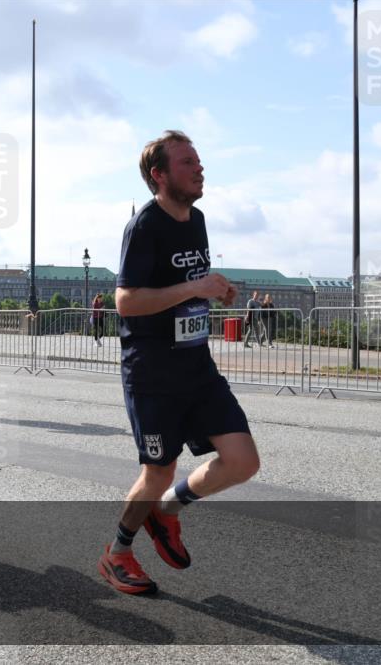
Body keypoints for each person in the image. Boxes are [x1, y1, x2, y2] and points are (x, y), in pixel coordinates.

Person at [99, 130, 259, 595]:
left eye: (199, 161)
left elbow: (191, 282)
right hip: (152, 370)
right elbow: (126, 301)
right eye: (188, 162)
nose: (200, 168)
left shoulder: (197, 219)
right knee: (158, 469)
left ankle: (165, 511)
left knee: (242, 461)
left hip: (197, 365)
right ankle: (117, 552)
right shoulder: (144, 226)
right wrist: (194, 288)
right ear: (160, 175)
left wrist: (218, 291)